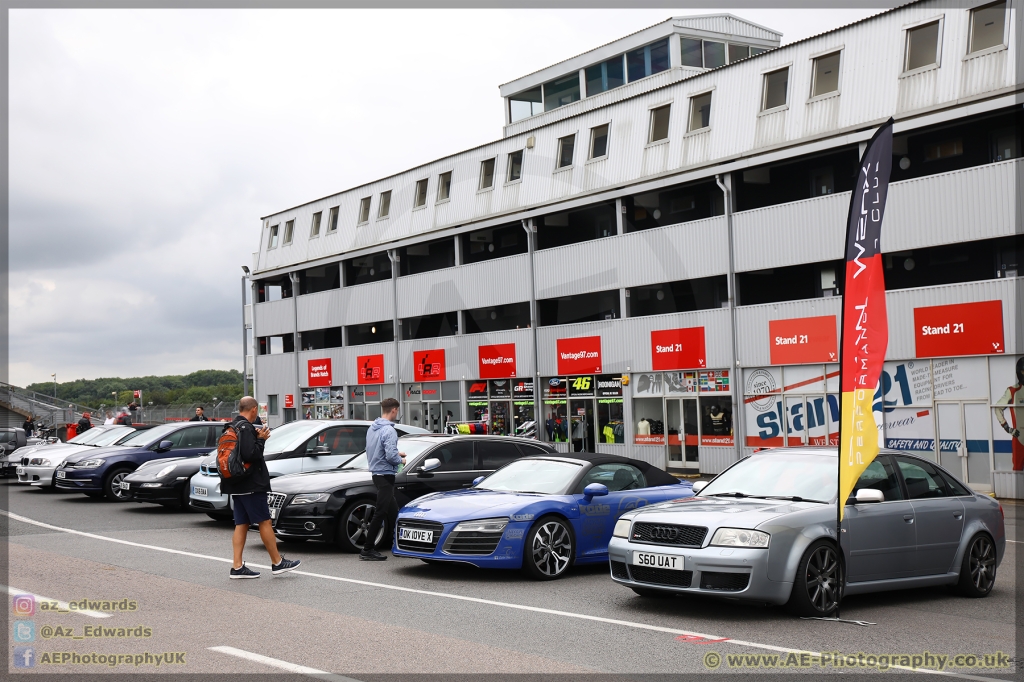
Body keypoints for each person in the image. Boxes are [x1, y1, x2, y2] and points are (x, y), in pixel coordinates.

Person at [223, 396, 300, 579]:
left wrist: (256, 439)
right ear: (254, 409)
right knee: (264, 521)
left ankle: (237, 566)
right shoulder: (246, 427)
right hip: (251, 483)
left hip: (236, 483)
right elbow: (251, 454)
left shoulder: (231, 426)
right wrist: (262, 439)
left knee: (241, 524)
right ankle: (277, 562)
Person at [360, 398, 406, 561]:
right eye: (397, 411)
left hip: (376, 473)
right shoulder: (389, 430)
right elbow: (391, 456)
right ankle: (367, 549)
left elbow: (373, 450)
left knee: (395, 513)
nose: (397, 413)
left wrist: (394, 455)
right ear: (394, 410)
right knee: (380, 512)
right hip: (385, 474)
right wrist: (401, 459)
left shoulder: (372, 429)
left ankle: (403, 545)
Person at [994, 357, 1024, 471]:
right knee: (1017, 470)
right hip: (1019, 437)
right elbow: (997, 408)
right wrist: (1008, 428)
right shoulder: (1013, 390)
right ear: (1019, 372)